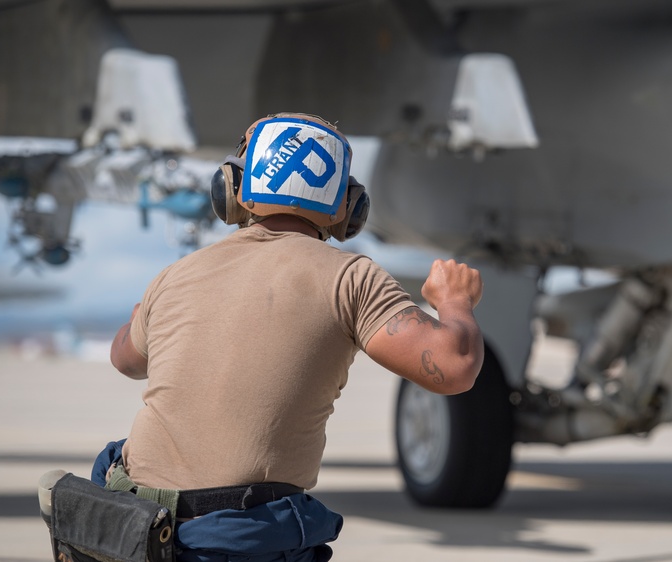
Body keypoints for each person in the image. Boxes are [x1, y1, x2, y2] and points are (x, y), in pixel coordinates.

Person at [102, 113, 485, 561]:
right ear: (349, 208)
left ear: (232, 189)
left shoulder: (175, 275)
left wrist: (141, 316)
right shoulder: (350, 278)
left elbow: (125, 358)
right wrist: (454, 301)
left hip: (133, 528)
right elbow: (454, 367)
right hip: (234, 539)